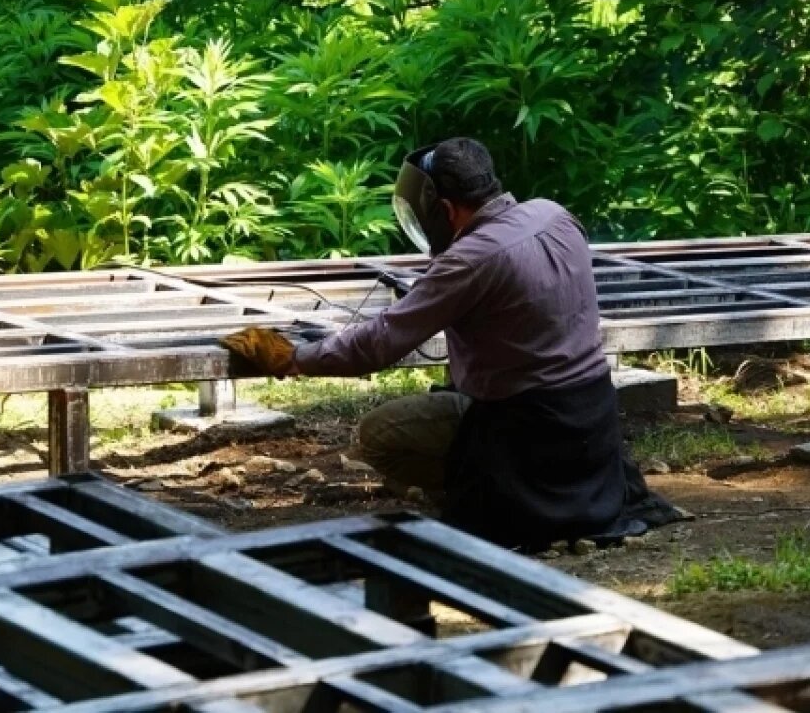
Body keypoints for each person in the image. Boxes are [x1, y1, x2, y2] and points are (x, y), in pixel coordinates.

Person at [221, 137, 676, 550]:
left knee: (378, 435)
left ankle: (493, 495)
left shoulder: (469, 260)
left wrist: (292, 358)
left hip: (525, 427)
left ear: (442, 208)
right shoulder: (554, 214)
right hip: (593, 418)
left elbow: (378, 344)